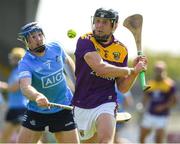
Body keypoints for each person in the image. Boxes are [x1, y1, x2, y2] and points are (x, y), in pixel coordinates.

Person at [72, 8, 147, 143]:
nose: (99, 25)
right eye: (97, 21)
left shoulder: (121, 49)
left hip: (106, 101)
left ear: (114, 25)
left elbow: (122, 88)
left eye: (104, 22)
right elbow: (101, 68)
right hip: (82, 102)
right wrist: (130, 70)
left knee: (105, 141)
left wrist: (135, 72)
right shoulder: (85, 40)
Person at [16, 22, 79, 143]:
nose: (39, 39)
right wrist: (37, 96)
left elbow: (68, 63)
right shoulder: (25, 63)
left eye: (40, 35)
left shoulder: (56, 48)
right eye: (33, 37)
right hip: (36, 111)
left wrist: (78, 86)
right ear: (26, 42)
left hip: (63, 108)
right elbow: (25, 87)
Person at [139, 60, 177, 143]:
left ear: (164, 71)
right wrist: (141, 106)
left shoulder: (170, 84)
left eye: (160, 70)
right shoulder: (150, 83)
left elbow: (174, 101)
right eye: (156, 70)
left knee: (158, 140)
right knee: (142, 137)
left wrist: (163, 107)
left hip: (162, 116)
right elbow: (145, 97)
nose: (158, 72)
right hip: (149, 114)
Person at [0, 47, 28, 143]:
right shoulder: (14, 71)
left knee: (27, 138)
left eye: (13, 57)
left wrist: (1, 85)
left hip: (20, 108)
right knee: (5, 137)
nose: (11, 59)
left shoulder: (20, 71)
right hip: (13, 109)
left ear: (18, 58)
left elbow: (15, 88)